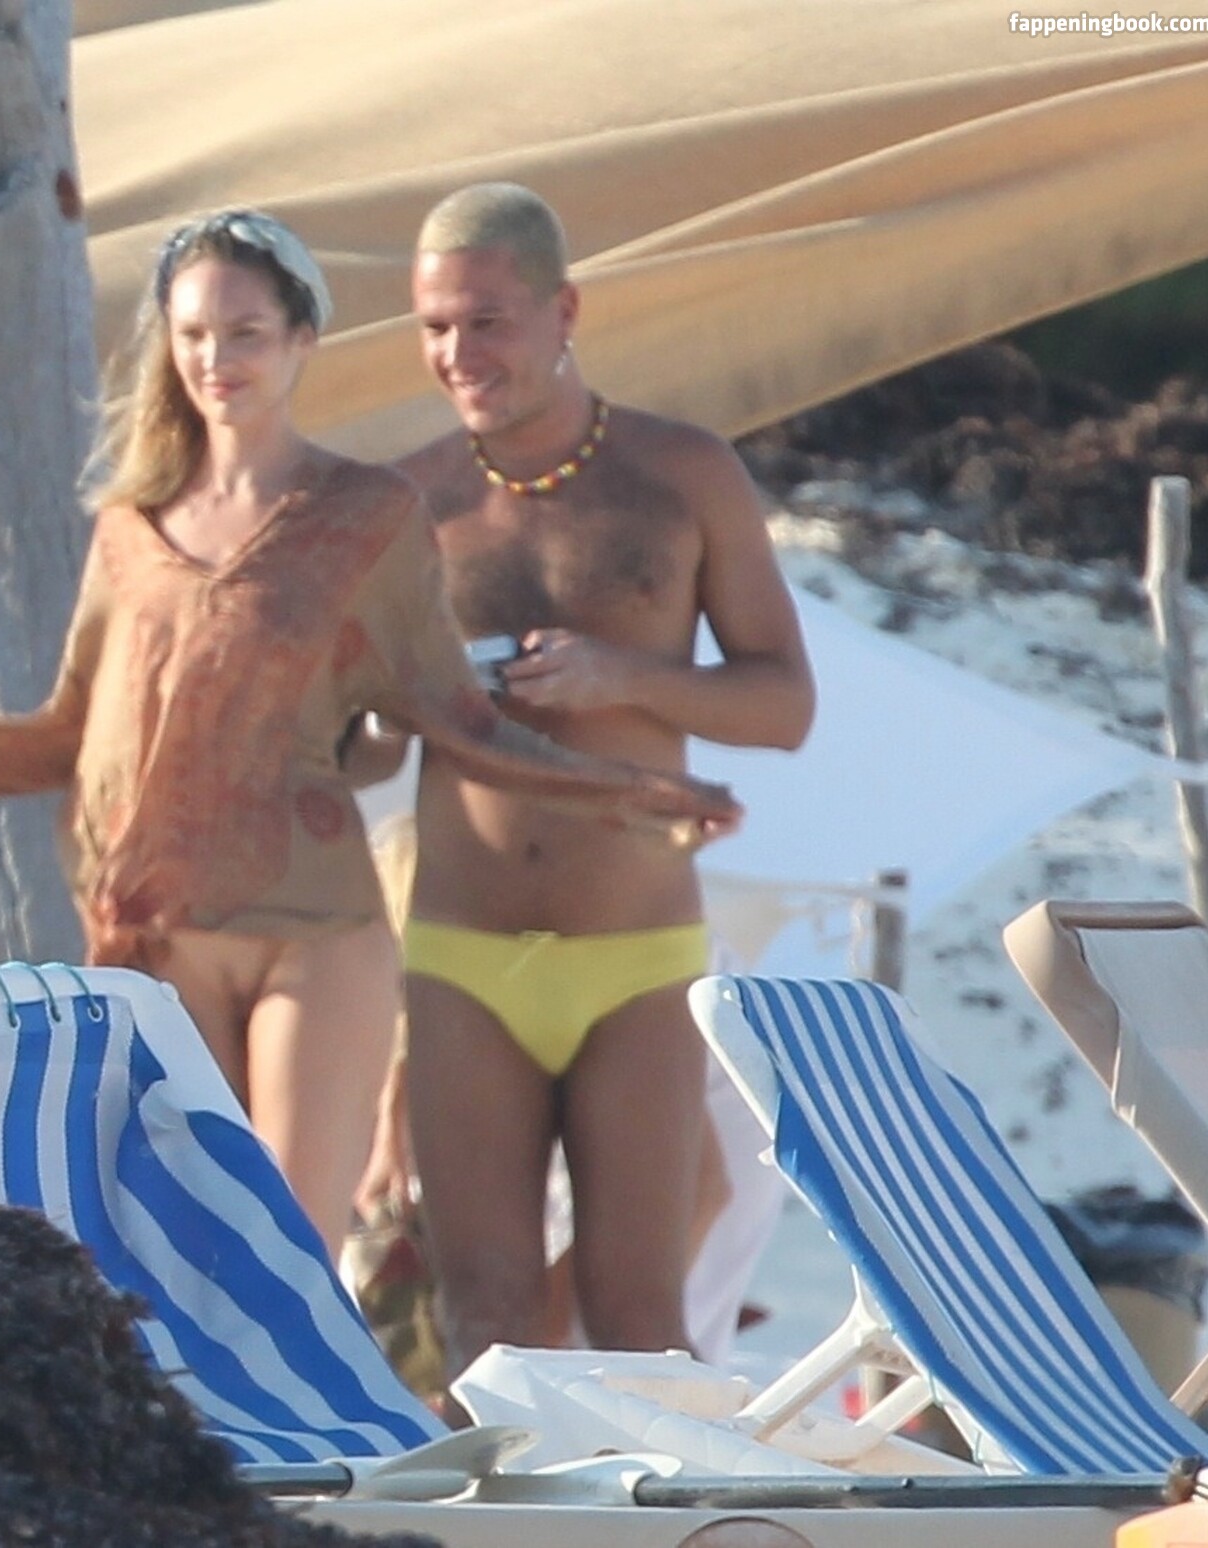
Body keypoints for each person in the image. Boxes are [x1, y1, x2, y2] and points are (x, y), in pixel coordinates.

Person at [0, 208, 741, 1258]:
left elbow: (461, 722)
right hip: (161, 938)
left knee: (288, 1255)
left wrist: (630, 793)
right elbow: (64, 742)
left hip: (318, 936)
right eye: (194, 336)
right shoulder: (129, 532)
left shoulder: (367, 517)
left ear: (302, 340)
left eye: (246, 333)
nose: (217, 360)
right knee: (183, 1256)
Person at [351, 183, 814, 1370]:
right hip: (462, 952)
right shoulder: (407, 502)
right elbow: (365, 751)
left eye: (487, 322)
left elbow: (784, 706)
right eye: (435, 327)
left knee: (637, 1321)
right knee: (484, 1326)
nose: (459, 354)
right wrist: (382, 704)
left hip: (637, 954)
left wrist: (625, 676)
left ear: (564, 311)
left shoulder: (683, 474)